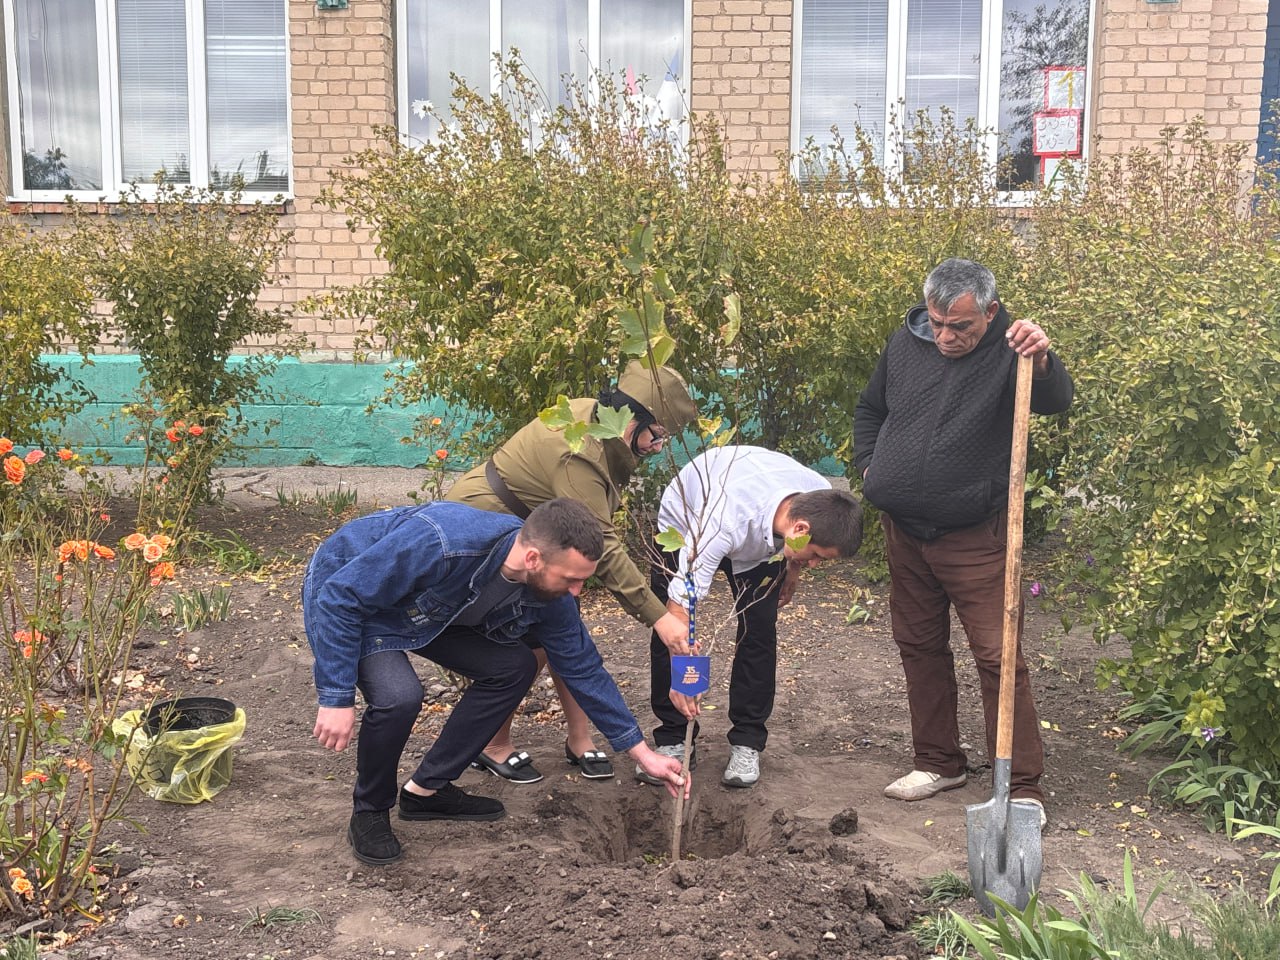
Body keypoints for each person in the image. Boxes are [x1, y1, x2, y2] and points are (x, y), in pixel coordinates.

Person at [304, 497, 689, 867]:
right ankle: (370, 811)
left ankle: (426, 792)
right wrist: (336, 696)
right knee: (399, 695)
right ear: (534, 558)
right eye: (571, 579)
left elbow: (583, 667)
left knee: (513, 667)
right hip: (353, 595)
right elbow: (341, 598)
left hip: (432, 611)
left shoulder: (550, 594)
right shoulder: (442, 542)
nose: (577, 591)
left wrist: (642, 753)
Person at [852, 257, 1074, 827]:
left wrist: (1043, 358)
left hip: (976, 535)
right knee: (918, 645)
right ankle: (938, 761)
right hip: (904, 532)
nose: (947, 337)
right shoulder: (906, 344)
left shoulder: (1014, 348)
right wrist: (872, 468)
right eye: (939, 323)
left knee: (999, 656)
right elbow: (871, 408)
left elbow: (1055, 400)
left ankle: (1021, 785)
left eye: (963, 327)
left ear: (991, 313)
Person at [445, 361, 699, 784]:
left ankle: (579, 737)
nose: (657, 447)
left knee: (564, 628)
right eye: (656, 436)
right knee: (530, 642)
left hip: (540, 536)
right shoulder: (579, 452)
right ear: (632, 421)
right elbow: (605, 547)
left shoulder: (600, 420)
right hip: (488, 529)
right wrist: (660, 619)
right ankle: (493, 744)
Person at [637, 445, 864, 789]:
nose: (816, 564)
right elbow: (680, 610)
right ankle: (674, 736)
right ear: (800, 529)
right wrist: (683, 681)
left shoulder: (819, 497)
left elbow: (800, 545)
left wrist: (794, 566)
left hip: (759, 539)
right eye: (816, 556)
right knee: (669, 628)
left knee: (758, 631)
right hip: (687, 525)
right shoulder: (722, 520)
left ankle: (746, 741)